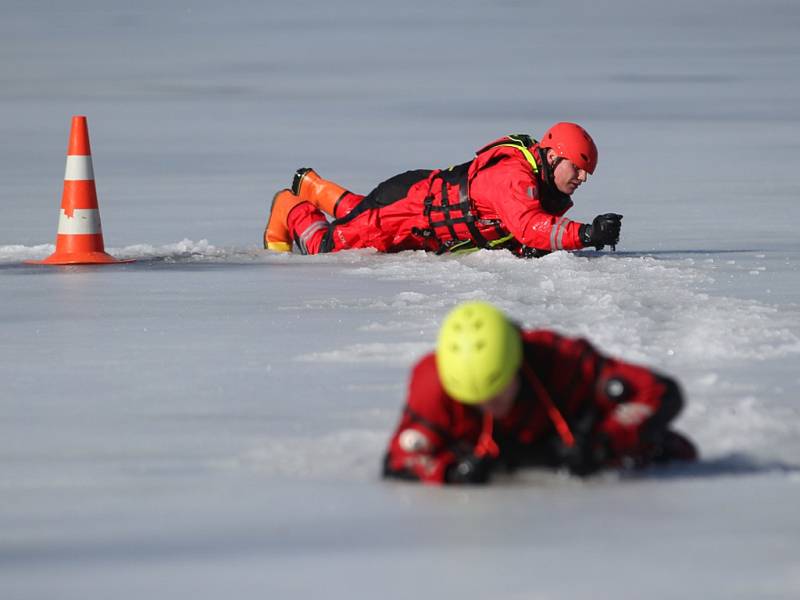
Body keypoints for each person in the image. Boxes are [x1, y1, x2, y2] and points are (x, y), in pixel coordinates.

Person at [382, 301, 697, 484]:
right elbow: (401, 457)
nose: (491, 406)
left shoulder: (560, 358)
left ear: (517, 362)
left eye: (498, 392)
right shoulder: (432, 385)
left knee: (675, 451)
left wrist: (606, 442)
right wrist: (452, 471)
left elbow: (656, 392)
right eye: (476, 403)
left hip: (575, 446)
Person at [263, 123, 623, 257]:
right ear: (552, 156)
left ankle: (314, 186)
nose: (582, 178)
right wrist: (587, 233)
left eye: (587, 171)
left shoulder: (539, 184)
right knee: (326, 247)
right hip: (405, 209)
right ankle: (290, 205)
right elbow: (529, 227)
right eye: (577, 168)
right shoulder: (514, 178)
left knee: (362, 213)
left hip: (410, 207)